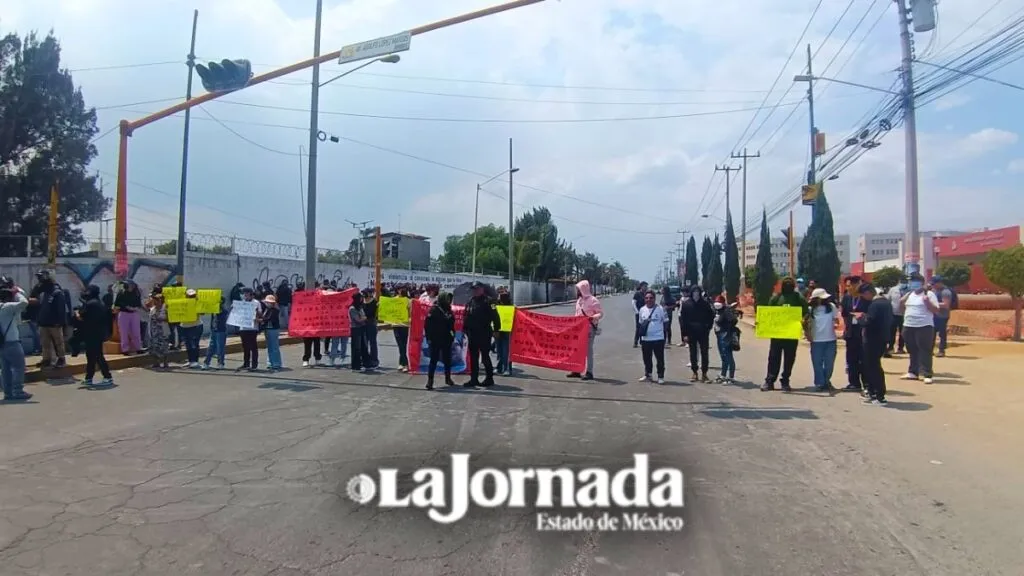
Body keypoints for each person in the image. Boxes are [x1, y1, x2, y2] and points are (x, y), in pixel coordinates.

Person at [761, 277, 808, 392]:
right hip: (777, 334)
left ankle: (785, 381)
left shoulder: (798, 297)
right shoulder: (776, 298)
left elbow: (806, 311)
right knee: (773, 358)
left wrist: (803, 319)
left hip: (791, 334)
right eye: (785, 283)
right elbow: (768, 313)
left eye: (790, 283)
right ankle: (770, 381)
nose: (788, 285)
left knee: (789, 358)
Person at [857, 282, 892, 405]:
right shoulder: (886, 303)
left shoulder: (875, 305)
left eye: (863, 295)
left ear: (868, 293)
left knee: (873, 367)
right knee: (873, 365)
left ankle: (879, 395)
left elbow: (869, 321)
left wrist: (861, 318)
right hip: (882, 339)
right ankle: (873, 393)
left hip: (873, 339)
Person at [901, 273, 939, 384]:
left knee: (925, 350)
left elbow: (935, 310)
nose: (912, 283)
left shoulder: (929, 294)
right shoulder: (909, 294)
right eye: (910, 281)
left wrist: (927, 302)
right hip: (908, 325)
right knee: (912, 349)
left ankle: (927, 373)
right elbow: (902, 307)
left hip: (924, 326)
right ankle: (913, 372)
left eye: (914, 281)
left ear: (921, 283)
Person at [0, 277, 31, 401]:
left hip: (1, 344)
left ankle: (8, 393)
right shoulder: (7, 307)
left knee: (5, 369)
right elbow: (24, 302)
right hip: (12, 342)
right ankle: (17, 391)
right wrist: (16, 292)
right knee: (19, 366)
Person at [76, 285, 114, 387]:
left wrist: (77, 313)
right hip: (96, 333)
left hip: (93, 334)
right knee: (91, 356)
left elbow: (81, 317)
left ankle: (107, 376)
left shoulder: (91, 304)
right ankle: (89, 378)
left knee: (97, 356)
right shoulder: (98, 302)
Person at [464, 281, 500, 388]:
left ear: (482, 289)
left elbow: (496, 317)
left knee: (485, 357)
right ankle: (473, 379)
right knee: (473, 357)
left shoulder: (489, 301)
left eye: (477, 289)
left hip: (484, 333)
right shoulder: (471, 301)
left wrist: (496, 330)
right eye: (473, 289)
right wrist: (464, 328)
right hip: (472, 333)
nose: (475, 291)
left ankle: (489, 378)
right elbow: (466, 315)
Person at [31, 270, 68, 368]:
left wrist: (60, 322)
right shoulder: (42, 291)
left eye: (41, 277)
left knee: (58, 342)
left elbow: (61, 308)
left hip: (55, 323)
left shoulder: (56, 291)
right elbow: (38, 304)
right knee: (45, 343)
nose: (40, 279)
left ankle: (61, 359)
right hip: (43, 322)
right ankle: (46, 359)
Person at [568, 279, 603, 381]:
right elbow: (577, 314)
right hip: (578, 329)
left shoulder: (593, 300)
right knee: (577, 350)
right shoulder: (579, 300)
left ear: (583, 289)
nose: (577, 291)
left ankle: (589, 372)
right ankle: (576, 370)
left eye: (578, 289)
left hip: (588, 328)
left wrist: (593, 317)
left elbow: (600, 313)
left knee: (588, 351)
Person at [679, 285, 715, 382]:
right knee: (693, 353)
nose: (696, 294)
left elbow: (711, 316)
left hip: (703, 332)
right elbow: (683, 321)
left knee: (704, 352)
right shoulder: (686, 304)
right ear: (691, 293)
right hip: (691, 332)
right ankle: (695, 372)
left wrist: (708, 327)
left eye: (697, 292)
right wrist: (684, 334)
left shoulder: (705, 304)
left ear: (700, 293)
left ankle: (704, 373)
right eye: (694, 292)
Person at [806, 287, 839, 392]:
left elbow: (836, 319)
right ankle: (820, 383)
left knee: (829, 363)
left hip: (831, 339)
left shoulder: (831, 307)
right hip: (816, 340)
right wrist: (808, 334)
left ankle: (826, 381)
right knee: (817, 363)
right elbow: (805, 323)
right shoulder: (810, 310)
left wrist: (836, 323)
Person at [840, 275, 869, 393]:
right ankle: (853, 383)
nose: (848, 288)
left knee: (864, 359)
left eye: (850, 285)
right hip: (851, 332)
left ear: (857, 285)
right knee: (851, 358)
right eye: (847, 286)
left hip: (863, 332)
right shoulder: (847, 298)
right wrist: (846, 329)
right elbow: (845, 314)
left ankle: (866, 383)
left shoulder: (866, 298)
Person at [424, 292, 456, 390]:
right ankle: (430, 380)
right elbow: (427, 325)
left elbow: (452, 324)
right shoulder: (434, 309)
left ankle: (448, 378)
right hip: (435, 339)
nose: (449, 301)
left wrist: (452, 335)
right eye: (447, 299)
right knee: (434, 360)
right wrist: (429, 338)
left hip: (446, 338)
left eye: (450, 299)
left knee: (447, 360)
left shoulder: (449, 310)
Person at [637, 290, 667, 383]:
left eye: (651, 298)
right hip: (646, 339)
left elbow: (666, 322)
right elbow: (640, 324)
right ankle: (648, 375)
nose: (648, 300)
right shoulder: (642, 309)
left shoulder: (661, 309)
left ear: (654, 299)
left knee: (660, 359)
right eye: (646, 298)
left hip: (658, 339)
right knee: (647, 359)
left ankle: (660, 376)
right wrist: (640, 338)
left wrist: (664, 336)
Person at [713, 294, 738, 383]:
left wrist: (728, 329)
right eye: (716, 302)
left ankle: (731, 377)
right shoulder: (717, 311)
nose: (717, 304)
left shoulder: (726, 311)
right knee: (723, 356)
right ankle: (723, 375)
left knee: (729, 357)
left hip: (726, 336)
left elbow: (734, 321)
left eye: (719, 302)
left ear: (723, 303)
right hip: (719, 336)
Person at [114, 280, 143, 356]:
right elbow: (117, 303)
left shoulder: (136, 293)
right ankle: (125, 349)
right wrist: (126, 306)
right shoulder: (121, 292)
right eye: (129, 285)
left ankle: (138, 348)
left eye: (132, 285)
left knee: (136, 332)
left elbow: (138, 303)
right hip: (124, 313)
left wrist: (135, 308)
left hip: (134, 313)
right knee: (124, 332)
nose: (131, 287)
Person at [236, 287, 262, 372]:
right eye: (244, 294)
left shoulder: (256, 303)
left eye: (246, 293)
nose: (245, 295)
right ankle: (246, 363)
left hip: (252, 328)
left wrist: (256, 315)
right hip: (243, 327)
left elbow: (260, 313)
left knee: (253, 347)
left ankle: (254, 365)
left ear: (251, 294)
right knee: (245, 347)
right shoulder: (242, 303)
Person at [179, 289, 205, 369]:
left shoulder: (197, 303)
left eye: (193, 296)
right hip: (184, 326)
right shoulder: (181, 303)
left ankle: (195, 361)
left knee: (194, 344)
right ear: (186, 296)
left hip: (196, 326)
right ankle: (191, 361)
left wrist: (196, 307)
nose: (191, 297)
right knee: (188, 345)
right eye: (189, 296)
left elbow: (202, 313)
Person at [931, 276, 954, 357]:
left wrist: (932, 304)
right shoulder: (934, 291)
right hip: (934, 315)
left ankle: (941, 350)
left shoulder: (946, 292)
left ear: (939, 283)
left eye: (934, 284)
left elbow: (946, 305)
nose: (933, 286)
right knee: (931, 333)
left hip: (942, 316)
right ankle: (930, 350)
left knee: (942, 333)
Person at [202, 298, 229, 370]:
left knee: (220, 347)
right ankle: (206, 362)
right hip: (214, 330)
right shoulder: (213, 310)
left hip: (221, 330)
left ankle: (220, 363)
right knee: (211, 347)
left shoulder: (224, 311)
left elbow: (223, 318)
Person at [146, 293, 170, 370]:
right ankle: (156, 363)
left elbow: (171, 319)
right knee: (154, 347)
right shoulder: (152, 309)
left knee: (164, 347)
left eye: (157, 300)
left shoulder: (165, 308)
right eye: (155, 300)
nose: (155, 302)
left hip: (163, 330)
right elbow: (146, 305)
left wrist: (163, 319)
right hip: (154, 331)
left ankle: (165, 363)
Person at [493, 287, 513, 375]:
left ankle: (506, 368)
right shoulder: (495, 305)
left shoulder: (510, 306)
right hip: (498, 329)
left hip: (506, 329)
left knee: (505, 350)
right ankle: (500, 367)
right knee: (499, 349)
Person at [887, 279, 907, 356]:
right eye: (902, 282)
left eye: (905, 282)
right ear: (899, 282)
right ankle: (891, 347)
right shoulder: (893, 289)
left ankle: (901, 348)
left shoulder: (908, 290)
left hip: (904, 314)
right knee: (892, 331)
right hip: (893, 314)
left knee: (903, 332)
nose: (903, 284)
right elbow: (888, 300)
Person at [262, 294, 283, 371]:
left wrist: (261, 320)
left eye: (269, 302)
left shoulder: (275, 310)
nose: (268, 303)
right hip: (268, 329)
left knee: (274, 346)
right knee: (269, 346)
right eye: (267, 302)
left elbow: (269, 319)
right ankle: (270, 362)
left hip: (273, 329)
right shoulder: (267, 309)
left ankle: (276, 363)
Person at [349, 292, 369, 372]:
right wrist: (364, 318)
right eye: (360, 298)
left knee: (362, 347)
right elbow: (358, 320)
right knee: (356, 348)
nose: (361, 299)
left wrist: (363, 318)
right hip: (355, 329)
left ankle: (361, 364)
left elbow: (363, 316)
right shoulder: (352, 308)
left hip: (361, 328)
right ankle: (355, 366)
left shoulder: (359, 307)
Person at [393, 286, 411, 373]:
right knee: (400, 344)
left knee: (403, 345)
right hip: (396, 324)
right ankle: (404, 364)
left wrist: (410, 319)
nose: (400, 291)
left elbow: (410, 312)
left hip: (405, 325)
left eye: (402, 289)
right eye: (399, 289)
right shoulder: (394, 299)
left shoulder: (408, 300)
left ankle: (403, 363)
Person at [363, 288, 380, 369]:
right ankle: (365, 359)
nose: (364, 295)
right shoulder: (361, 302)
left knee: (372, 343)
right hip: (362, 324)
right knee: (364, 343)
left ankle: (374, 360)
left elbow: (373, 314)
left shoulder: (375, 303)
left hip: (371, 323)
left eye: (365, 293)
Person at [632, 282, 647, 348]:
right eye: (644, 286)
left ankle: (642, 341)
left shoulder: (646, 294)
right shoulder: (637, 294)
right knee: (638, 328)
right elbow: (633, 303)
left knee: (644, 327)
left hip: (645, 313)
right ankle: (635, 342)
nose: (645, 287)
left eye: (646, 286)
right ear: (641, 287)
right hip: (639, 313)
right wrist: (637, 311)